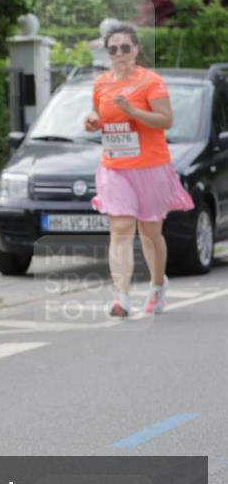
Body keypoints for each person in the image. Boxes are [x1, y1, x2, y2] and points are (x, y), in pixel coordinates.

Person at [84, 24, 194, 317]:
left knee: (150, 232)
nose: (119, 53)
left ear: (136, 50)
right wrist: (93, 120)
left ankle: (158, 285)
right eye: (113, 48)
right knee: (119, 229)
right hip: (115, 166)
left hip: (150, 166)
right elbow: (98, 112)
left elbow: (165, 120)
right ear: (107, 52)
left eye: (125, 47)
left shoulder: (151, 81)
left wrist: (132, 111)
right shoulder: (101, 83)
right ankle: (121, 296)